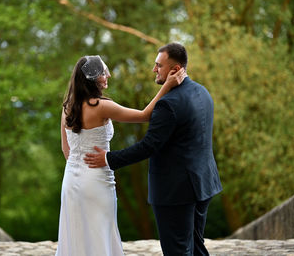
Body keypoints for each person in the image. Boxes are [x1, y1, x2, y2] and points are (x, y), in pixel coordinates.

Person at [84, 43, 223, 256]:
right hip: (203, 183)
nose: (154, 69)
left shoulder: (168, 104)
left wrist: (109, 159)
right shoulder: (202, 92)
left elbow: (148, 146)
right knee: (196, 247)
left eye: (159, 65)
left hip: (175, 191)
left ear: (174, 70)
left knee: (176, 251)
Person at [56, 55, 186, 256]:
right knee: (101, 231)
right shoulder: (101, 106)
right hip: (96, 178)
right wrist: (167, 85)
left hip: (71, 180)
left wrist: (78, 171)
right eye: (102, 73)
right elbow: (145, 115)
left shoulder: (67, 108)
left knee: (77, 235)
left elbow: (67, 150)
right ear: (91, 78)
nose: (107, 75)